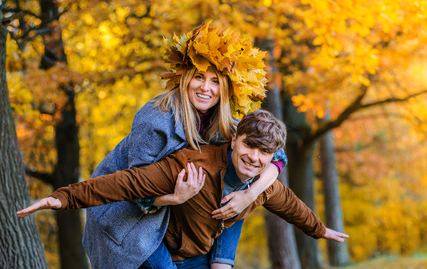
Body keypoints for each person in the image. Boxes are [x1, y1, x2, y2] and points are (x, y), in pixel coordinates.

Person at [17, 109, 349, 269]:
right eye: (249, 146)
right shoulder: (193, 166)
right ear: (234, 139)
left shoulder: (263, 185)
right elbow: (127, 183)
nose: (254, 157)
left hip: (198, 254)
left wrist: (319, 230)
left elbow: (292, 206)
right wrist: (62, 197)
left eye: (264, 153)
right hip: (159, 250)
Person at [81, 22, 287, 269]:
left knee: (240, 176)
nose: (205, 88)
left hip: (174, 219)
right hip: (127, 214)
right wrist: (174, 198)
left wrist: (249, 195)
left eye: (215, 81)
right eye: (199, 77)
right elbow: (135, 188)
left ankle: (222, 262)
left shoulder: (226, 121)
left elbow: (276, 155)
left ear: (225, 88)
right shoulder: (156, 119)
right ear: (186, 78)